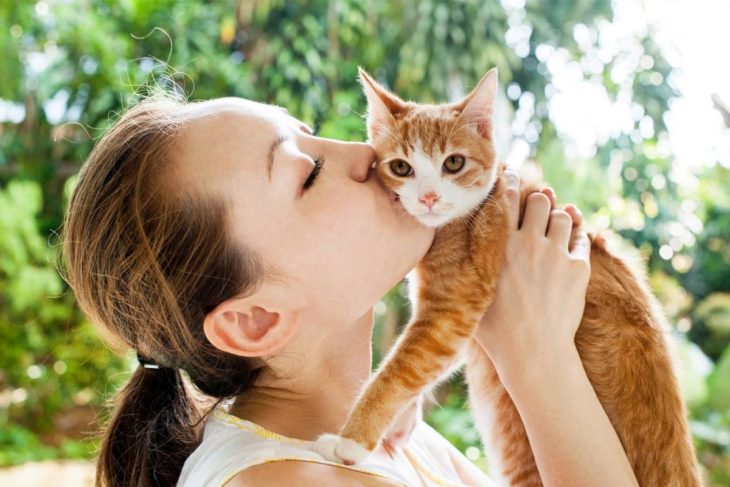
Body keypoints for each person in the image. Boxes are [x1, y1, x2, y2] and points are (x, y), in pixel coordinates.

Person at [62, 94, 638, 486]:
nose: (366, 155)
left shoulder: (389, 442)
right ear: (256, 320)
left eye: (314, 136)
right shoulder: (287, 481)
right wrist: (538, 356)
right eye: (308, 172)